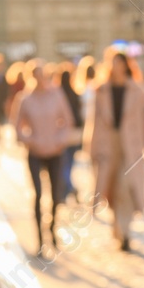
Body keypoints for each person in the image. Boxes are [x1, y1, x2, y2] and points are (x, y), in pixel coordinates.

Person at [86, 50, 144, 252]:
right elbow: (94, 121)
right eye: (113, 63)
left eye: (119, 63)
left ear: (126, 65)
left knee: (126, 187)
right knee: (111, 189)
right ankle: (118, 226)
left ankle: (125, 231)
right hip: (108, 143)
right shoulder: (102, 90)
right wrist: (92, 148)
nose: (116, 67)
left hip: (130, 145)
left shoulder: (136, 90)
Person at [13, 62, 78, 254]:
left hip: (55, 151)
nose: (40, 79)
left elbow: (67, 121)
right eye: (37, 75)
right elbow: (17, 126)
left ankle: (52, 228)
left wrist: (60, 140)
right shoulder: (25, 98)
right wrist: (29, 139)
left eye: (43, 75)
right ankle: (40, 238)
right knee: (38, 194)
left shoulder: (56, 95)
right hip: (35, 152)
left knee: (56, 193)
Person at [57, 64, 84, 202]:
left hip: (63, 134)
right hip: (74, 134)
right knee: (69, 163)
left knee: (64, 163)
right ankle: (68, 187)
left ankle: (67, 188)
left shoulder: (58, 95)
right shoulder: (74, 94)